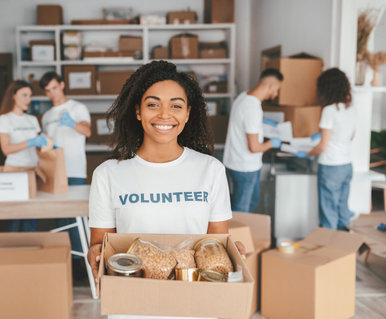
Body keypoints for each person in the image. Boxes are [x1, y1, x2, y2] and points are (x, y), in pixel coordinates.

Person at [87, 61, 245, 319]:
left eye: (176, 105)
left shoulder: (211, 170)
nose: (164, 114)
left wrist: (231, 254)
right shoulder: (108, 174)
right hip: (133, 307)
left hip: (195, 307)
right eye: (152, 104)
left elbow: (214, 243)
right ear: (138, 111)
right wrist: (95, 253)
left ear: (187, 113)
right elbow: (101, 244)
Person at [39, 72, 92, 276]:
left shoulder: (78, 108)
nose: (51, 93)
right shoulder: (47, 116)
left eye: (54, 87)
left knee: (76, 216)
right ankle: (66, 259)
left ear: (62, 85)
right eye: (47, 90)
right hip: (54, 172)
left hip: (74, 169)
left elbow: (87, 131)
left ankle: (81, 263)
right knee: (60, 217)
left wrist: (72, 123)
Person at [296, 68, 355, 230]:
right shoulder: (351, 108)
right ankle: (345, 249)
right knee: (343, 209)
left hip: (331, 166)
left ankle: (329, 251)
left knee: (328, 211)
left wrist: (305, 153)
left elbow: (322, 146)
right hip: (347, 165)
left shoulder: (329, 110)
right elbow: (351, 137)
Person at [223, 68, 284, 213]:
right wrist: (272, 143)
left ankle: (241, 231)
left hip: (235, 161)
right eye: (277, 89)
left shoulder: (243, 97)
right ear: (270, 86)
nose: (276, 94)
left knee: (250, 202)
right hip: (245, 167)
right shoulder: (252, 108)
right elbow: (254, 147)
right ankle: (238, 235)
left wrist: (262, 122)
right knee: (243, 208)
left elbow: (245, 122)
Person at [0, 80, 47, 232]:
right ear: (13, 96)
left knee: (31, 217)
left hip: (32, 170)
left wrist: (45, 145)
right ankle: (14, 254)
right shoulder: (4, 119)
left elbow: (38, 148)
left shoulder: (32, 120)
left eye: (30, 96)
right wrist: (30, 141)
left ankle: (29, 254)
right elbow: (6, 149)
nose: (28, 100)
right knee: (15, 218)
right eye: (24, 95)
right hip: (14, 171)